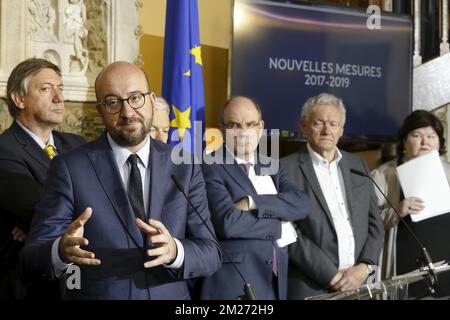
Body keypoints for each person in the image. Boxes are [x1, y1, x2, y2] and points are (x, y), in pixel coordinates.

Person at [20, 61, 222, 300]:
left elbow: (211, 253)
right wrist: (60, 251)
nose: (127, 112)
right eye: (113, 102)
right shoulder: (70, 167)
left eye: (135, 98)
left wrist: (174, 251)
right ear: (99, 109)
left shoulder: (185, 165)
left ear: (150, 99)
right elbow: (32, 257)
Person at [199, 96, 310, 300]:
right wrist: (280, 226)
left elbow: (301, 203)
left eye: (250, 124)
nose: (243, 132)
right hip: (234, 285)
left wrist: (254, 202)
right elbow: (228, 222)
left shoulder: (271, 165)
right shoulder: (209, 165)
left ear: (260, 127)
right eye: (234, 125)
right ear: (221, 129)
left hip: (275, 283)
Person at [281, 93, 384, 300]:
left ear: (342, 130)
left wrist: (364, 267)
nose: (327, 130)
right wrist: (331, 275)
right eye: (319, 123)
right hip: (312, 286)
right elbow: (287, 231)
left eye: (334, 124)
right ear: (303, 126)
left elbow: (375, 223)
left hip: (360, 285)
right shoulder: (285, 168)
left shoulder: (358, 165)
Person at [0, 58, 86, 299]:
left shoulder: (77, 144)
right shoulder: (4, 150)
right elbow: (42, 214)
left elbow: (109, 195)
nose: (59, 98)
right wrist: (44, 225)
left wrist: (39, 228)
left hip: (80, 281)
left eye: (61, 88)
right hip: (33, 286)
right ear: (19, 99)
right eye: (46, 89)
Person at [371, 110, 450, 298]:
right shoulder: (383, 175)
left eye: (431, 136)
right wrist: (397, 210)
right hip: (403, 263)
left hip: (445, 261)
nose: (425, 142)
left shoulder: (448, 172)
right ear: (404, 142)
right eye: (417, 135)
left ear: (439, 142)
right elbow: (369, 223)